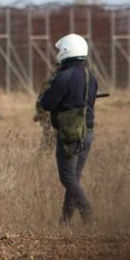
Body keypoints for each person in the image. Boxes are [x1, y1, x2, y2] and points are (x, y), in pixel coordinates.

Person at [38, 34, 97, 225]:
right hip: (87, 133)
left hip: (70, 134)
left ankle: (88, 214)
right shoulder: (90, 76)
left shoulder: (65, 76)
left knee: (68, 178)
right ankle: (64, 222)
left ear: (66, 50)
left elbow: (46, 103)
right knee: (74, 178)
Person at [33, 71, 58, 152]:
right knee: (49, 139)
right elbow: (42, 101)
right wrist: (40, 114)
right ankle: (41, 161)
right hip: (49, 115)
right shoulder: (55, 80)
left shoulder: (58, 78)